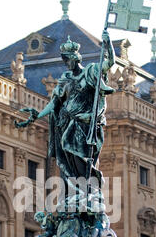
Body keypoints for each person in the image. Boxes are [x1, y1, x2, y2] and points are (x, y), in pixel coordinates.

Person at [15, 31, 115, 212]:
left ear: (76, 58)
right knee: (67, 159)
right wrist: (37, 116)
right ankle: (76, 193)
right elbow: (54, 103)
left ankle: (86, 192)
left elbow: (109, 63)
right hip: (65, 124)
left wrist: (108, 45)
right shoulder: (65, 79)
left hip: (85, 125)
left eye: (68, 59)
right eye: (64, 60)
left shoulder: (90, 72)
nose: (66, 63)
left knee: (79, 155)